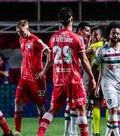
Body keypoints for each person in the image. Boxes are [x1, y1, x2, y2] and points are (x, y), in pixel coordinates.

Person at [36, 7, 96, 136]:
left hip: (59, 80)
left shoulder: (53, 38)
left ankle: (39, 134)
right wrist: (91, 77)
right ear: (72, 20)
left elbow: (50, 59)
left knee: (53, 109)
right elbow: (84, 60)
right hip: (73, 79)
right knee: (81, 109)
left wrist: (45, 71)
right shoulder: (76, 38)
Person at [14, 19, 51, 136]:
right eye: (18, 32)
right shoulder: (21, 39)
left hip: (37, 79)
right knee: (17, 101)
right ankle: (18, 131)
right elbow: (25, 57)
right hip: (24, 77)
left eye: (21, 31)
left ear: (27, 28)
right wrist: (21, 69)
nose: (20, 34)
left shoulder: (36, 40)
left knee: (40, 106)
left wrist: (43, 71)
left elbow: (49, 52)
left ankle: (41, 133)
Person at [86, 26, 105, 136]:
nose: (94, 36)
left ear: (101, 36)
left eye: (96, 34)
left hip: (98, 75)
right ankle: (106, 131)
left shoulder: (95, 46)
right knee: (106, 105)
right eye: (93, 34)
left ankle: (97, 132)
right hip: (101, 75)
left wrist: (89, 49)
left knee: (97, 104)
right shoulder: (106, 45)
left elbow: (85, 57)